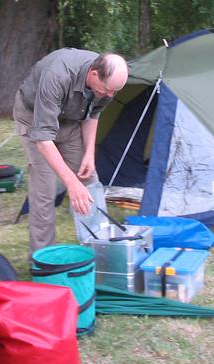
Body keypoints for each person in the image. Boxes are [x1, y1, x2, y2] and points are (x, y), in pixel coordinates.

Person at [13, 49, 128, 256]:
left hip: (71, 120)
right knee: (44, 190)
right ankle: (43, 260)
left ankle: (101, 251)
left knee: (89, 179)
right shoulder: (58, 76)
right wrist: (71, 183)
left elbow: (93, 114)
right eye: (107, 89)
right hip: (34, 121)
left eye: (115, 91)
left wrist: (89, 154)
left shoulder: (108, 84)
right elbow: (44, 139)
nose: (110, 95)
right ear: (93, 74)